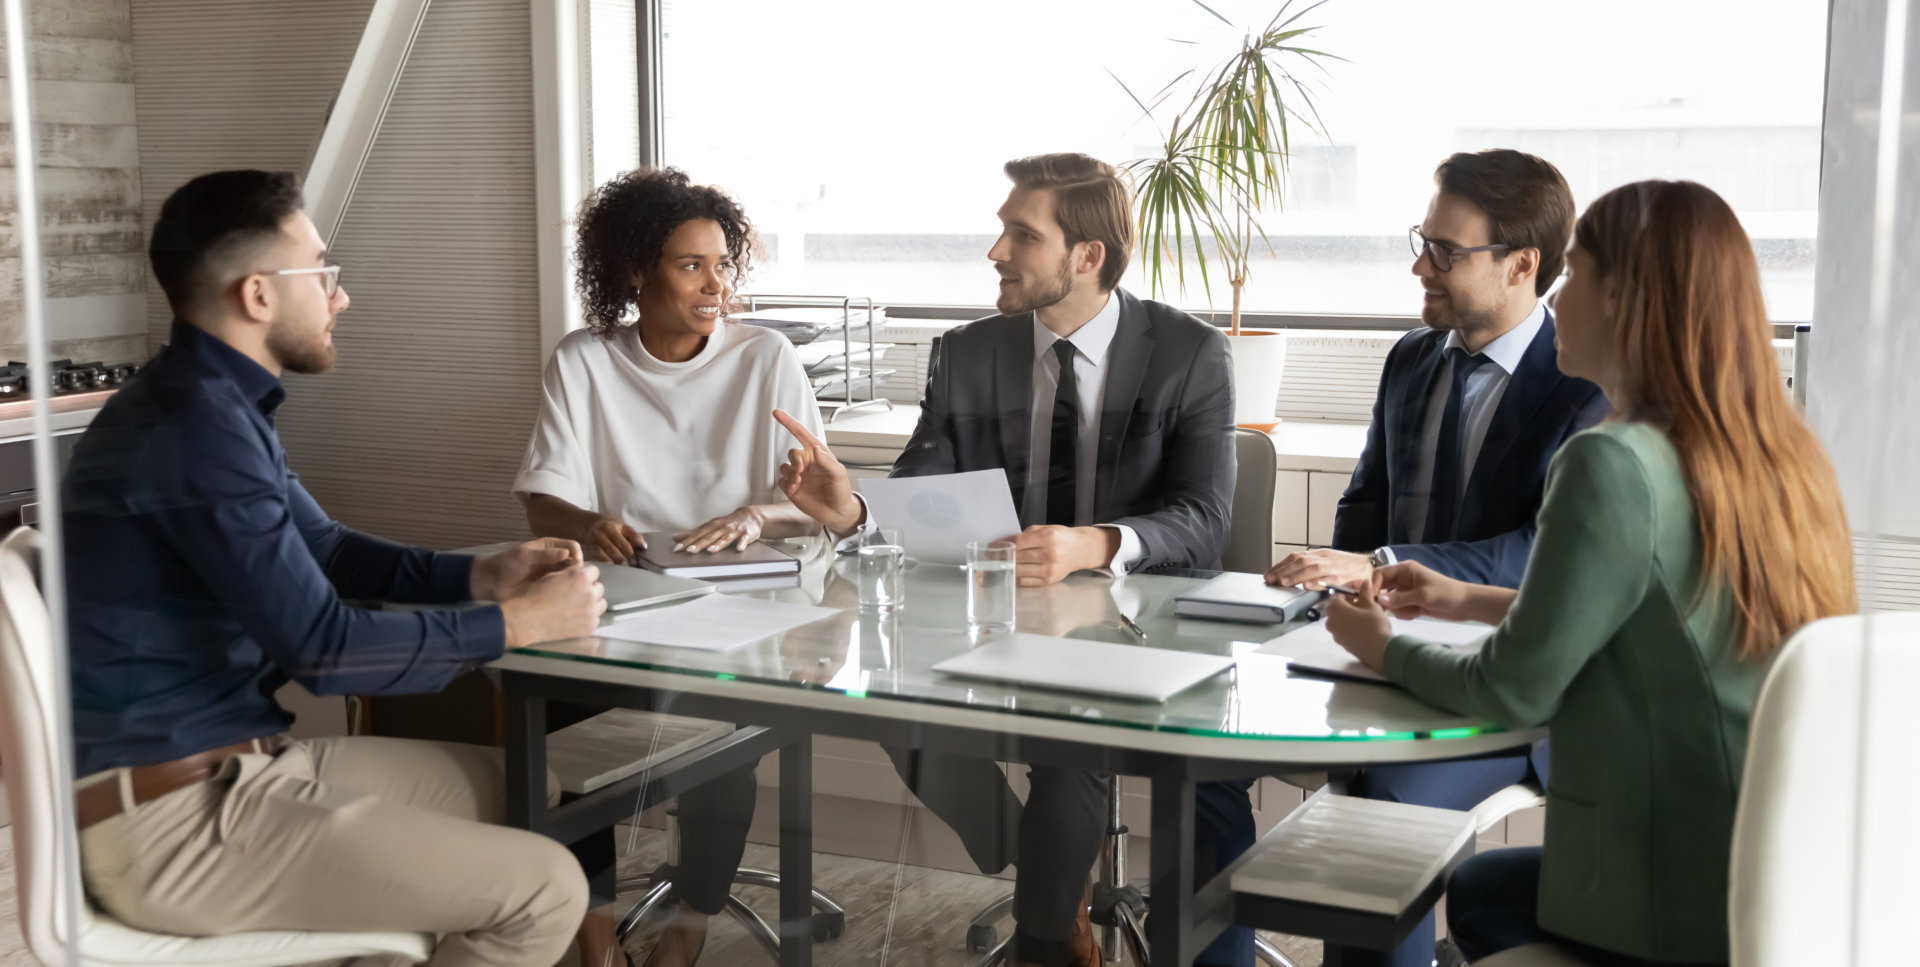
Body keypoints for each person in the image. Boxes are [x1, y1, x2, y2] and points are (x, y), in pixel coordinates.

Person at [63, 170, 611, 967]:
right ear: (258, 295)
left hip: (243, 766)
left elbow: (328, 551)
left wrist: (479, 577)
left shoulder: (208, 403)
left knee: (535, 787)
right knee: (548, 885)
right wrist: (517, 624)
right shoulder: (194, 429)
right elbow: (323, 652)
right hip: (177, 821)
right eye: (323, 271)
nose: (339, 296)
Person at [1324, 179, 1856, 965]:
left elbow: (1512, 690)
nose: (1557, 297)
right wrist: (1469, 599)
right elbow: (1664, 618)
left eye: (1575, 273)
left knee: (1438, 882)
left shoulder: (1611, 460)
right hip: (1773, 876)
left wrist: (1377, 644)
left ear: (1628, 301)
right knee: (1482, 890)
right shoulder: (1783, 456)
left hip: (1672, 898)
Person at [774, 152, 1242, 967]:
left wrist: (1093, 543)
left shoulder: (1187, 352)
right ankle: (1051, 889)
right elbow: (923, 486)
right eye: (1002, 230)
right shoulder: (968, 351)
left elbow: (1203, 519)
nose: (996, 251)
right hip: (991, 616)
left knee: (1071, 743)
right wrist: (852, 508)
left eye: (1021, 234)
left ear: (1087, 255)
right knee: (889, 704)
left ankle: (1044, 940)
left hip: (1132, 629)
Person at [1266, 149, 1608, 967]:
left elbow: (1540, 555)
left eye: (1446, 253)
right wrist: (1336, 575)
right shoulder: (1410, 361)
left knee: (1378, 798)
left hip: (1510, 692)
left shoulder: (1586, 386)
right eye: (1423, 241)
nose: (1421, 265)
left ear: (1524, 264)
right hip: (1374, 662)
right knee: (1207, 763)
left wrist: (1379, 561)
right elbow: (1363, 505)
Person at [514, 167, 828, 967]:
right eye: (692, 265)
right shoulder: (584, 361)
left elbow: (817, 501)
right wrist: (590, 522)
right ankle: (595, 937)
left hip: (743, 603)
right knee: (553, 730)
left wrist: (760, 511)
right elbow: (543, 501)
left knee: (724, 739)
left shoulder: (767, 358)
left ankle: (687, 927)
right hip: (625, 602)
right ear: (634, 272)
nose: (715, 283)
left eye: (722, 264)